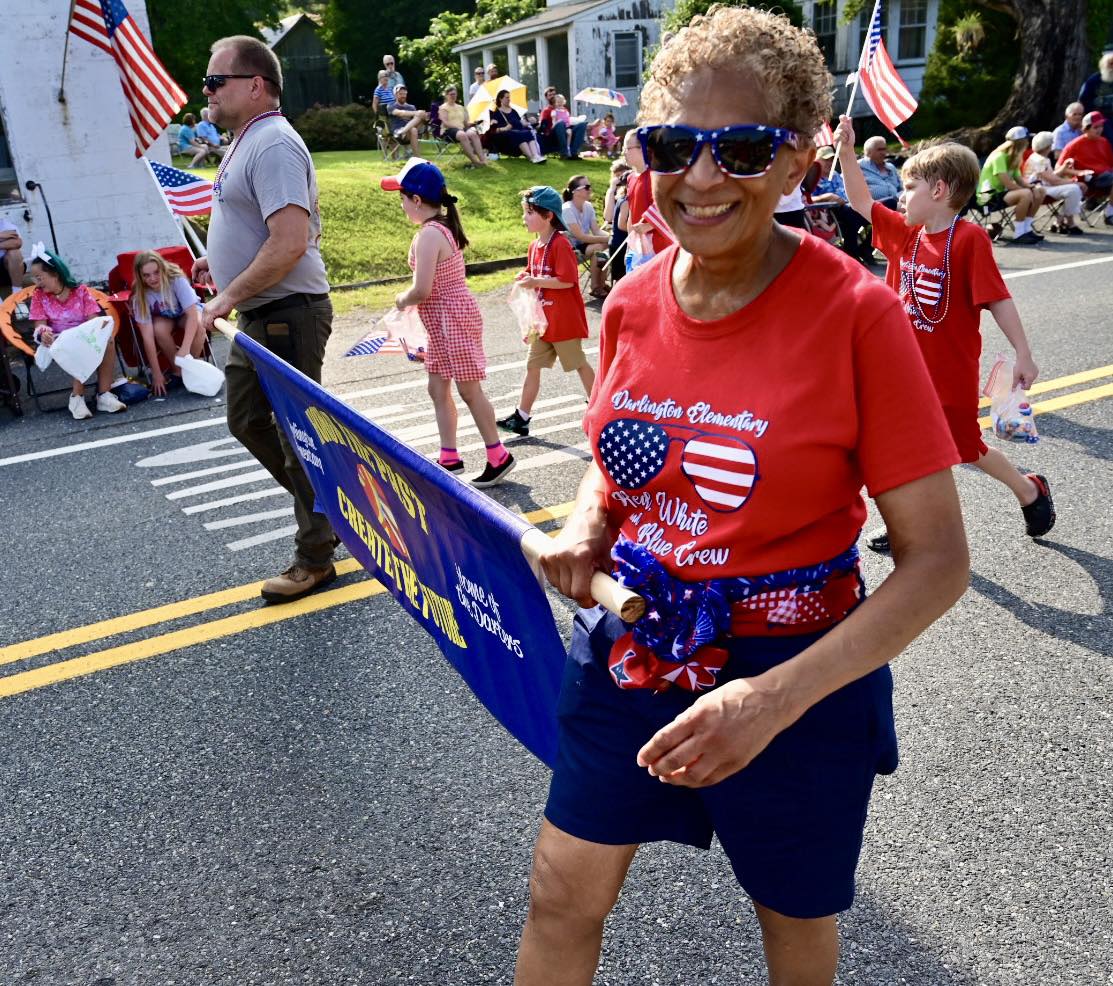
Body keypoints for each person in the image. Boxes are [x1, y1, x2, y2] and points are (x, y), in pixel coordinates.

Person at [517, 10, 970, 986]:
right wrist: (588, 524)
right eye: (672, 145)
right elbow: (616, 456)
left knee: (792, 922)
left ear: (800, 156)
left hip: (796, 670)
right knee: (560, 893)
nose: (702, 175)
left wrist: (772, 699)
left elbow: (937, 561)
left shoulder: (858, 316)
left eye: (744, 148)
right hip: (636, 642)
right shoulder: (631, 299)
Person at [836, 116, 1056, 554]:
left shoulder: (969, 239)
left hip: (948, 372)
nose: (901, 196)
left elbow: (998, 298)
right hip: (899, 370)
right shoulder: (905, 234)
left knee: (965, 448)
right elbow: (860, 200)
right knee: (889, 447)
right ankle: (906, 523)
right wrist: (845, 152)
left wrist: (1023, 353)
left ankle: (1029, 489)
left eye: (910, 187)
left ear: (938, 190)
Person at [195, 34, 338, 604]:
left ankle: (316, 554)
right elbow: (259, 227)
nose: (206, 92)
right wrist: (219, 260)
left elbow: (288, 243)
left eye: (215, 81)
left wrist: (224, 295)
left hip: (285, 312)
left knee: (295, 436)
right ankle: (328, 511)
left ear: (256, 86)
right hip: (261, 311)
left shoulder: (273, 142)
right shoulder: (248, 140)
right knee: (246, 419)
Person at [381, 158, 515, 488]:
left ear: (416, 200)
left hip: (451, 318)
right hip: (443, 319)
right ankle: (449, 456)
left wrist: (401, 299)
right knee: (437, 387)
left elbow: (422, 289)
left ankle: (498, 455)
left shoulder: (429, 235)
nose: (401, 205)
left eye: (402, 198)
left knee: (469, 389)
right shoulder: (439, 228)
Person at [497, 186, 595, 438]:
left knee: (578, 364)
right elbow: (534, 272)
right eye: (525, 212)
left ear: (548, 215)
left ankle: (598, 405)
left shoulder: (560, 244)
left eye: (530, 212)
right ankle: (522, 417)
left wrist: (535, 281)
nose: (524, 217)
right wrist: (525, 276)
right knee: (532, 366)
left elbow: (567, 281)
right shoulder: (535, 246)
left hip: (563, 320)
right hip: (541, 322)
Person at [28, 247, 127, 420]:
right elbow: (40, 324)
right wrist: (43, 333)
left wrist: (87, 334)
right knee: (79, 345)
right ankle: (77, 396)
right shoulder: (39, 296)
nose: (37, 282)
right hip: (57, 340)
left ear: (55, 274)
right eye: (35, 278)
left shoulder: (80, 291)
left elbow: (93, 321)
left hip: (83, 336)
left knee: (107, 340)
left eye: (39, 277)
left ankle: (104, 395)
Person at [130, 251, 207, 396]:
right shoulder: (140, 294)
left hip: (186, 312)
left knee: (199, 323)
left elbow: (191, 315)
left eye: (156, 272)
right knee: (158, 329)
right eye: (146, 275)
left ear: (163, 268)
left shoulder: (175, 278)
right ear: (140, 276)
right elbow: (147, 337)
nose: (152, 278)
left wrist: (184, 349)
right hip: (165, 316)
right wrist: (156, 373)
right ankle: (177, 371)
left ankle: (191, 367)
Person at [976, 126, 1046, 244]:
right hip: (986, 198)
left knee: (1040, 191)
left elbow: (1019, 180)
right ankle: (1019, 233)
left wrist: (1033, 188)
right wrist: (1028, 191)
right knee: (1026, 194)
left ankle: (1027, 228)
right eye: (1027, 140)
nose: (1028, 142)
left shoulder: (1013, 157)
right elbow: (1008, 183)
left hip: (1000, 194)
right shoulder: (999, 156)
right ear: (1021, 142)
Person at [810, 144, 871, 263]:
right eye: (826, 160)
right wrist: (827, 197)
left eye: (832, 160)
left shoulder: (835, 175)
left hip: (849, 207)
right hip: (828, 212)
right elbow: (806, 200)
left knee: (885, 206)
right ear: (816, 161)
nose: (830, 163)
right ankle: (852, 254)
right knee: (852, 215)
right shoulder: (811, 178)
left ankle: (865, 249)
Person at [1023, 131, 1085, 235]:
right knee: (1074, 189)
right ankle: (1068, 222)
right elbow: (1053, 180)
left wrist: (1063, 168)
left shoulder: (1039, 158)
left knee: (1073, 189)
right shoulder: (1039, 160)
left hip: (1043, 186)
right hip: (1038, 189)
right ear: (1047, 146)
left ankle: (1060, 221)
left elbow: (1050, 176)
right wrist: (1073, 182)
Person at [1058, 111, 1113, 225]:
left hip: (1106, 176)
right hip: (1088, 179)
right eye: (1095, 127)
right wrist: (1078, 172)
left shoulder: (1104, 142)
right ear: (1086, 128)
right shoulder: (1074, 144)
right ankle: (1109, 213)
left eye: (1101, 126)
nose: (1099, 130)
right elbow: (1059, 167)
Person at [562, 175, 609, 298]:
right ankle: (595, 286)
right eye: (587, 187)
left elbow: (596, 231)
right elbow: (581, 236)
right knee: (599, 248)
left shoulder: (588, 206)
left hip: (583, 246)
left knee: (606, 245)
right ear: (575, 191)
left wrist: (613, 236)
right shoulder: (567, 209)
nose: (590, 189)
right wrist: (608, 239)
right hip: (570, 249)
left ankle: (601, 284)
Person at [436, 85, 487, 167]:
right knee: (462, 134)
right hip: (448, 130)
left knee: (473, 133)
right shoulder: (443, 108)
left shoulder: (461, 107)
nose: (453, 96)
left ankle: (483, 160)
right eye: (451, 94)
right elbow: (445, 123)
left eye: (454, 94)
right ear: (446, 95)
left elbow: (466, 123)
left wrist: (475, 122)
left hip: (461, 129)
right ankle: (475, 161)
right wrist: (458, 128)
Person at [491, 90, 545, 163]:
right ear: (500, 99)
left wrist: (529, 121)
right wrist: (505, 128)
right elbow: (493, 130)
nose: (509, 99)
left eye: (509, 97)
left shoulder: (513, 111)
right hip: (506, 134)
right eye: (507, 97)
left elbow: (520, 122)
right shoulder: (496, 112)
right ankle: (531, 157)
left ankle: (536, 155)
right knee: (519, 135)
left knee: (527, 132)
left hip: (518, 131)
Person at [1078, 51, 1113, 153]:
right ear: (1104, 65)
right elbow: (1083, 100)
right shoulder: (1093, 81)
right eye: (1110, 64)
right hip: (1100, 119)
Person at [539, 87, 587, 160]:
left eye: (554, 94)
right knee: (560, 123)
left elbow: (568, 121)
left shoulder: (564, 109)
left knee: (582, 125)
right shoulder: (546, 111)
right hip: (553, 135)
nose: (552, 96)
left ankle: (573, 153)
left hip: (566, 131)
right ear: (546, 97)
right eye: (550, 95)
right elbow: (541, 125)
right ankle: (564, 153)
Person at [859, 135, 901, 208]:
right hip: (872, 208)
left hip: (897, 204)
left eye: (884, 149)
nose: (883, 152)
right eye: (879, 150)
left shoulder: (890, 167)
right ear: (868, 152)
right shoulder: (858, 166)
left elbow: (901, 187)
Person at [389, 85, 428, 156]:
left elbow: (417, 119)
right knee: (414, 129)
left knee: (418, 122)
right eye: (401, 94)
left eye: (405, 94)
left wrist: (423, 115)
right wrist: (417, 113)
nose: (403, 96)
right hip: (398, 133)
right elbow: (400, 113)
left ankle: (403, 131)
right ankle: (418, 157)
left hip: (408, 132)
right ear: (395, 95)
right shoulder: (391, 106)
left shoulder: (411, 107)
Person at [0, 217, 24, 296]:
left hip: (5, 268)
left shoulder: (6, 225)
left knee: (15, 253)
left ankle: (17, 293)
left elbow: (17, 243)